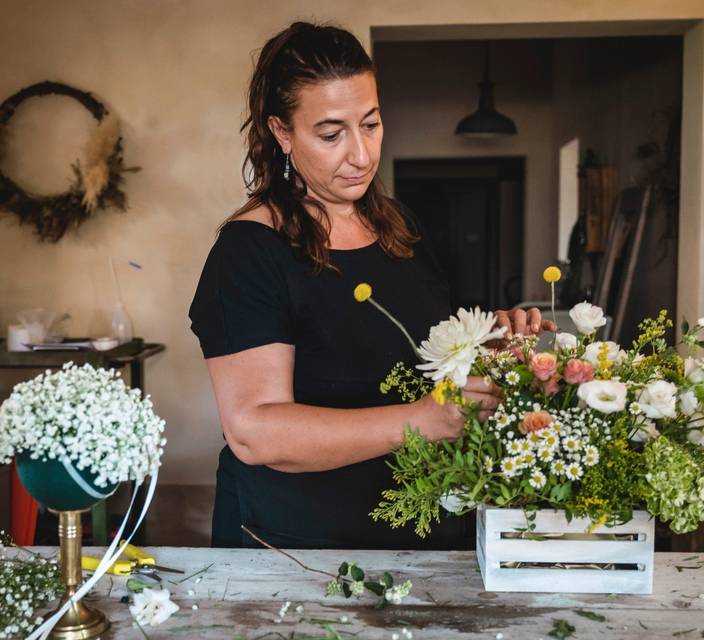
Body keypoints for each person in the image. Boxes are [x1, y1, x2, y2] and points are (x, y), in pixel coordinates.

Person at [188, 22, 554, 550]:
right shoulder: (249, 253)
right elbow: (255, 430)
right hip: (295, 547)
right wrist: (422, 420)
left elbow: (404, 348)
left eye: (372, 124)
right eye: (332, 134)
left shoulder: (396, 226)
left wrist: (481, 341)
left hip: (421, 528)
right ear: (282, 132)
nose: (361, 155)